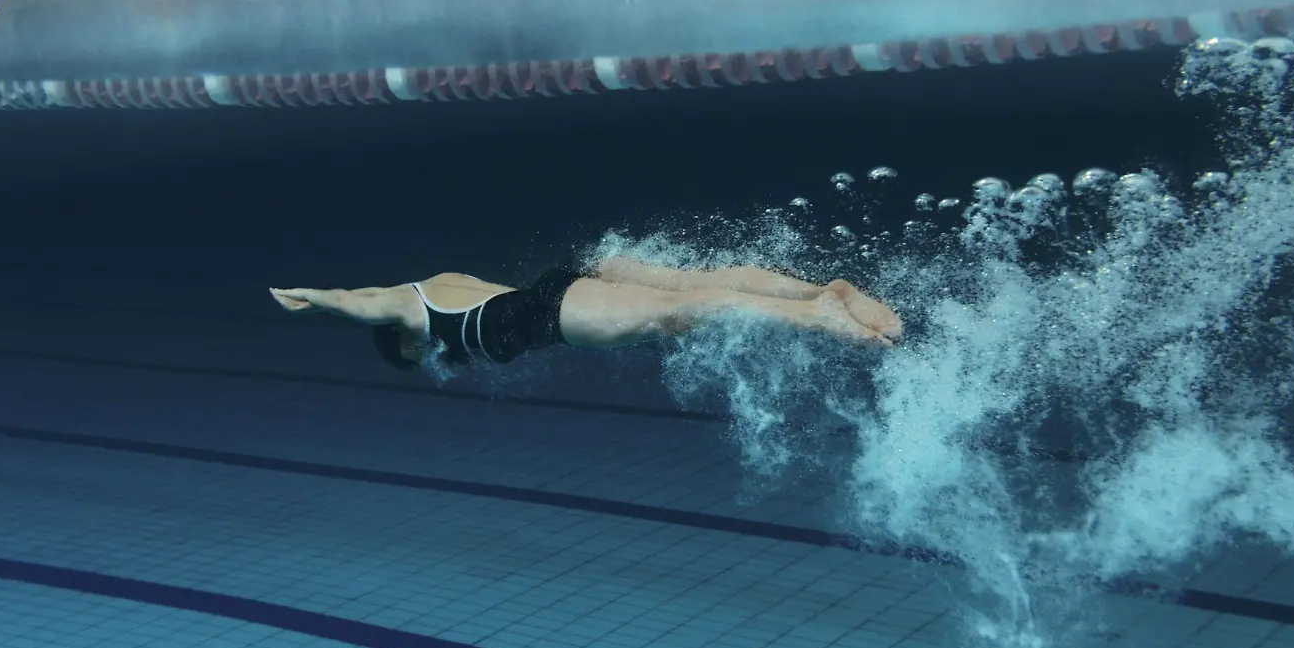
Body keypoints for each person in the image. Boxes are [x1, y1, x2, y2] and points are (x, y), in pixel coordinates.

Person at [268, 256, 902, 370]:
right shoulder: (442, 279)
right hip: (565, 288)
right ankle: (822, 289)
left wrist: (310, 298)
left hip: (561, 311)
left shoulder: (408, 313)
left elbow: (363, 302)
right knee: (691, 289)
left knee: (686, 311)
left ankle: (819, 313)